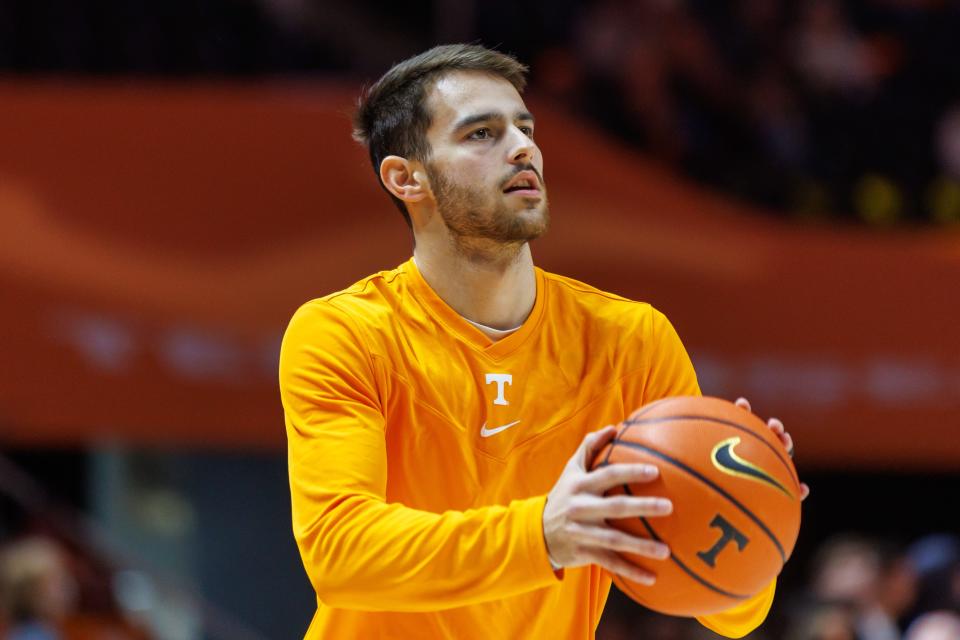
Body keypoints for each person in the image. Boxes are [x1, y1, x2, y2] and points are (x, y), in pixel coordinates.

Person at [279, 43, 807, 639]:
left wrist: (752, 510)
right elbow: (342, 556)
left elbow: (731, 611)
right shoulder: (344, 332)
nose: (522, 147)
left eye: (524, 128)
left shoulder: (632, 339)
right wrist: (543, 536)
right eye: (481, 133)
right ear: (407, 177)